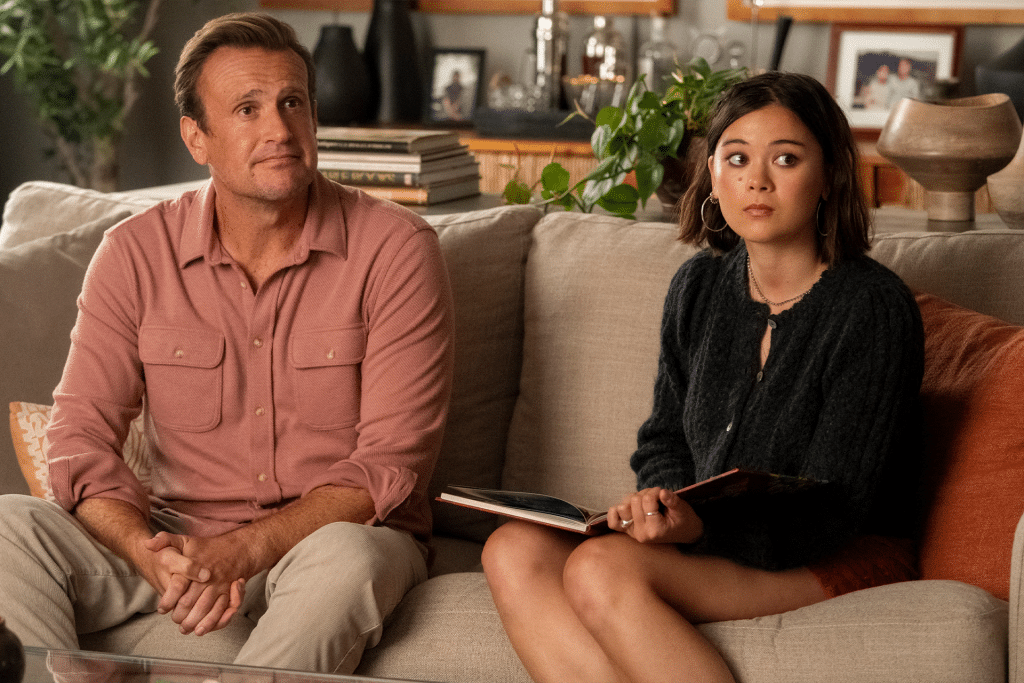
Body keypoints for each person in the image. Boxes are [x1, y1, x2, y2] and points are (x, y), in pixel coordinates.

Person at [0, 12, 454, 675]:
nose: (279, 129)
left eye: (292, 102)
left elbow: (391, 464)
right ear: (196, 137)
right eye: (247, 108)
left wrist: (242, 551)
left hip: (329, 541)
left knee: (354, 558)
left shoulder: (397, 251)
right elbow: (81, 438)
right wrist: (145, 549)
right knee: (10, 526)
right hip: (177, 539)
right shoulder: (133, 255)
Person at [481, 71, 923, 683]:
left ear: (828, 176)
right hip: (711, 538)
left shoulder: (872, 309)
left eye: (786, 159)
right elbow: (664, 438)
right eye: (736, 158)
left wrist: (700, 526)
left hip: (840, 550)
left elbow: (839, 507)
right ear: (712, 174)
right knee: (514, 549)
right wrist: (662, 502)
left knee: (600, 569)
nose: (756, 180)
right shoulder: (698, 289)